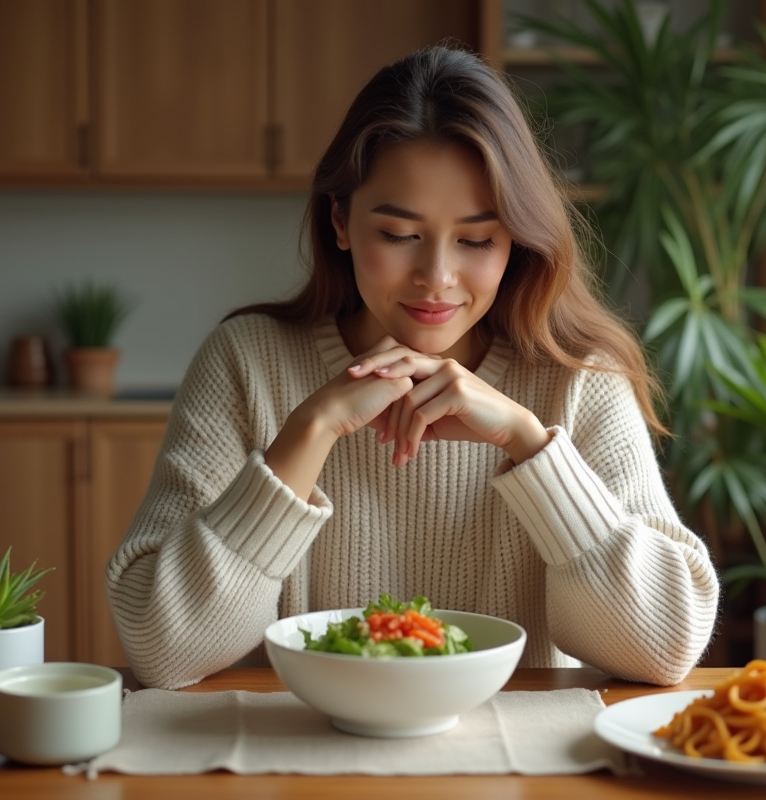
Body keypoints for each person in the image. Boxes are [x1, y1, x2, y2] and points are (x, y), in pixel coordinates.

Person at [106, 45, 719, 690]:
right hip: (298, 768)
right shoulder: (246, 362)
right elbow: (162, 648)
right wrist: (309, 431)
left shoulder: (578, 381)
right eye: (399, 235)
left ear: (517, 239)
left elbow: (665, 646)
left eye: (478, 240)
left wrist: (528, 443)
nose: (437, 279)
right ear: (340, 219)